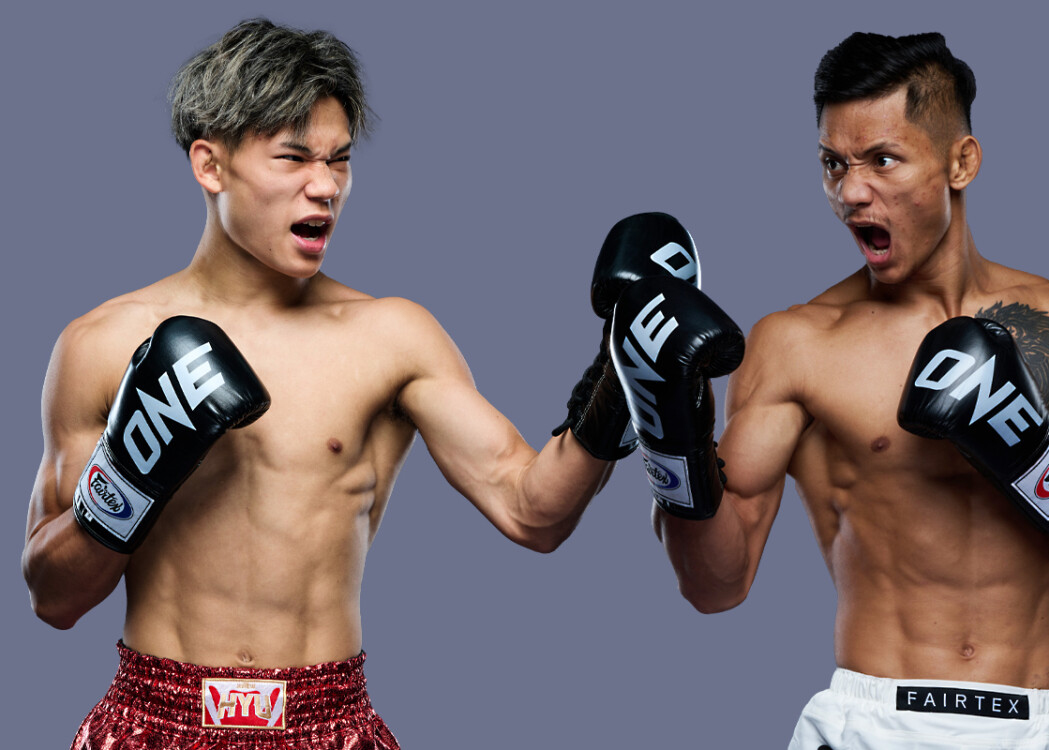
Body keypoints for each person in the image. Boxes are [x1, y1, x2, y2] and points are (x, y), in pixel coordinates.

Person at [21, 18, 698, 748]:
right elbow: (53, 599)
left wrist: (617, 381)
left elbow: (533, 513)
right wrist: (128, 476)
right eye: (293, 158)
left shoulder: (390, 338)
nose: (325, 187)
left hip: (327, 724)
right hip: (152, 721)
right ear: (210, 165)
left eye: (339, 160)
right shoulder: (102, 343)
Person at [609, 31, 1049, 749]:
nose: (850, 193)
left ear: (960, 162)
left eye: (881, 160)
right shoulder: (797, 345)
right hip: (874, 724)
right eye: (832, 164)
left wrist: (1032, 449)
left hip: (1040, 728)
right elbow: (715, 586)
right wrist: (669, 431)